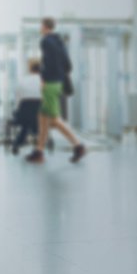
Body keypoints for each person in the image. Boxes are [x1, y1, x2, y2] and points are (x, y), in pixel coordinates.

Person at [27, 17, 86, 164]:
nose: (40, 28)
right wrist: (58, 75)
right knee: (43, 117)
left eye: (40, 25)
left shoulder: (45, 41)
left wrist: (44, 78)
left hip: (51, 84)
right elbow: (68, 65)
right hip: (59, 82)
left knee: (54, 119)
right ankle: (39, 151)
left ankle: (78, 146)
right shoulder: (60, 41)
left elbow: (48, 63)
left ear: (45, 27)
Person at [11, 59, 41, 154]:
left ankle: (17, 143)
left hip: (23, 116)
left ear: (30, 68)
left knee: (25, 124)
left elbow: (17, 101)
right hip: (39, 116)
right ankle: (37, 140)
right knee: (35, 120)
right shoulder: (44, 81)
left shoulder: (22, 81)